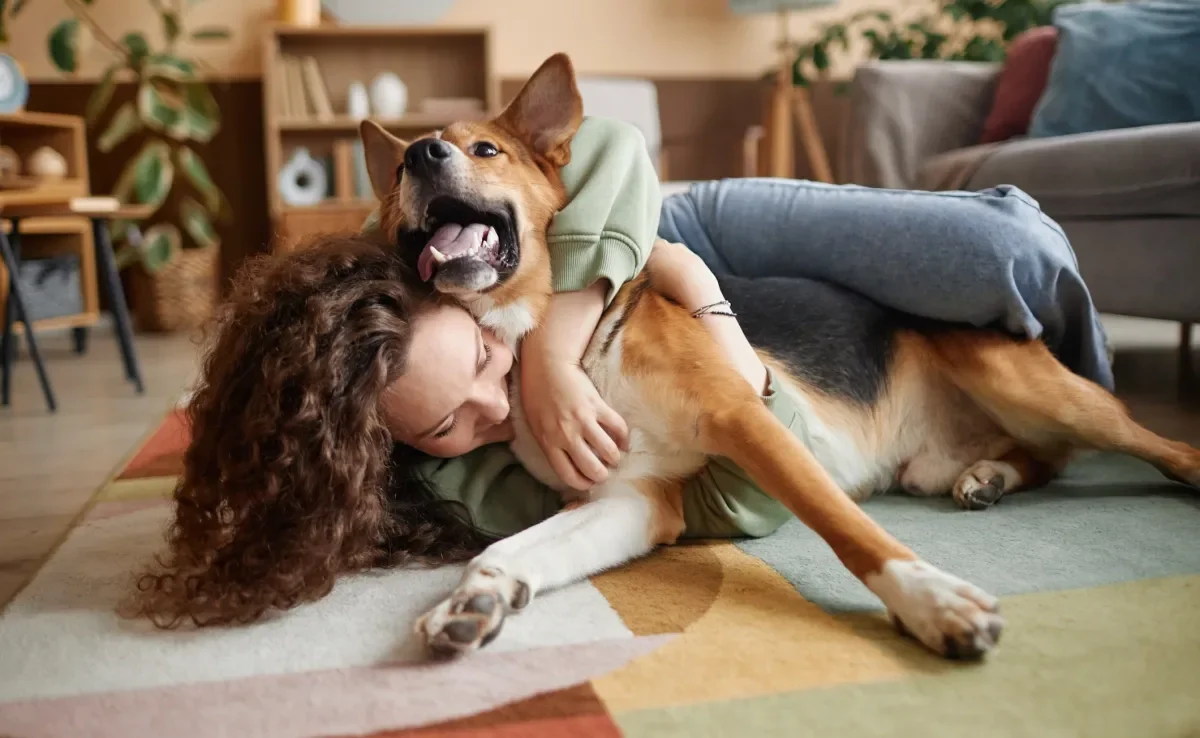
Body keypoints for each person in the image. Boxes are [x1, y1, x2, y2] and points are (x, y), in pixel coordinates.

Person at [129, 117, 1111, 629]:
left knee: (1011, 259)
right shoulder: (408, 401)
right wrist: (502, 565)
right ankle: (1028, 449)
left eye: (480, 361)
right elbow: (659, 504)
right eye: (443, 426)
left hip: (666, 221)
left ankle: (1066, 387)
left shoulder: (413, 266)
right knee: (1006, 288)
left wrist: (556, 347)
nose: (490, 393)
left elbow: (606, 151)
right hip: (722, 333)